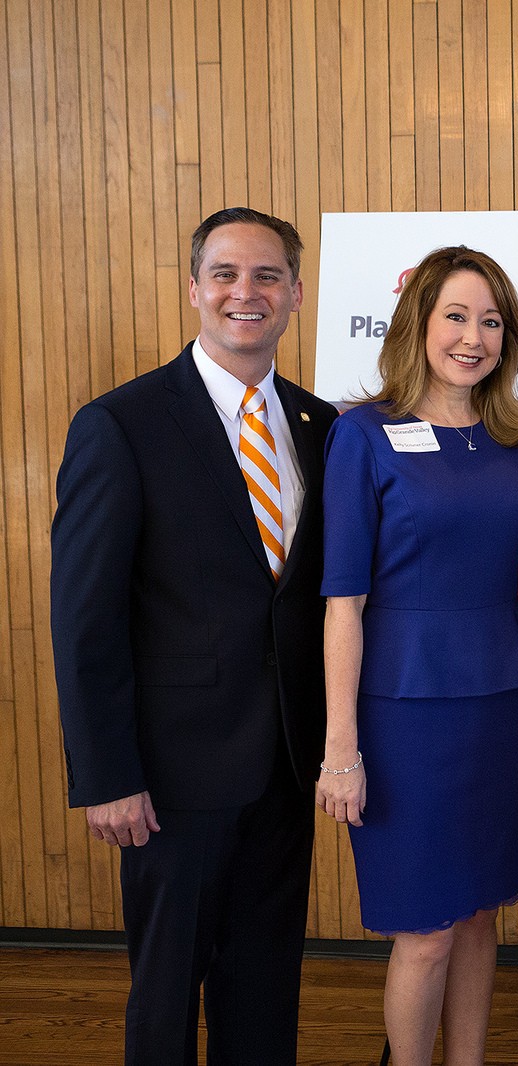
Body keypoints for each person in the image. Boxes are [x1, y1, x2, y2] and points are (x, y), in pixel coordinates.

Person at [50, 207, 338, 1064]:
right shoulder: (122, 424)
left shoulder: (322, 428)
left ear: (294, 292)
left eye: (266, 277)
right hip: (171, 779)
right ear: (194, 290)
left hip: (287, 768)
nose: (244, 293)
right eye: (225, 275)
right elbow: (84, 615)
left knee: (265, 988)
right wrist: (107, 776)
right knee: (167, 995)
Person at [315, 246, 518, 1066]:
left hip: (500, 703)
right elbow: (342, 602)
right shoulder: (363, 435)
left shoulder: (516, 442)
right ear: (418, 322)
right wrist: (341, 748)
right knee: (424, 931)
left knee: (484, 913)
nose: (474, 336)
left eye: (491, 321)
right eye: (456, 316)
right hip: (402, 716)